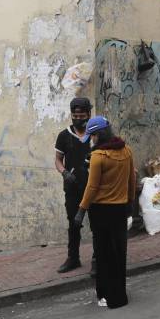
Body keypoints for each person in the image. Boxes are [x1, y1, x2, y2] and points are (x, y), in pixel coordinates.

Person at [74, 116, 136, 309]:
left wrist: (81, 211)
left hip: (101, 211)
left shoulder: (98, 157)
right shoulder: (126, 151)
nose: (91, 140)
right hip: (120, 209)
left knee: (103, 254)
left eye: (92, 136)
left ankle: (105, 296)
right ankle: (120, 296)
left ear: (98, 135)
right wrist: (131, 203)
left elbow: (92, 188)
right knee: (119, 252)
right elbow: (131, 180)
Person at [54, 97, 95, 275]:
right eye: (75, 115)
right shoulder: (64, 136)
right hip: (72, 188)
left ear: (88, 115)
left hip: (93, 187)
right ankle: (73, 258)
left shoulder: (94, 134)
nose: (78, 118)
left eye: (82, 115)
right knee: (73, 223)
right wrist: (64, 172)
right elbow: (57, 160)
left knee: (96, 223)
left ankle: (97, 259)